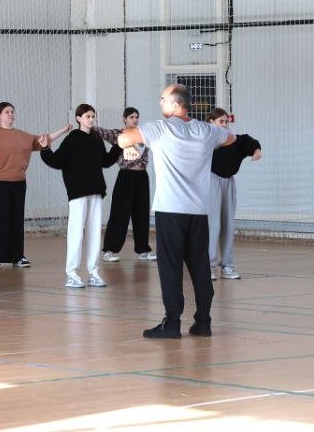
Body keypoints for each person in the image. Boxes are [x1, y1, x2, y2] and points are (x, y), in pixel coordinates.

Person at [118, 84, 234, 339]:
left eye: (162, 100)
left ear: (174, 104)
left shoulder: (161, 128)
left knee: (170, 268)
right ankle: (203, 322)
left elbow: (124, 138)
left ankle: (172, 323)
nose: (159, 104)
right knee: (200, 267)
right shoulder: (206, 130)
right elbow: (231, 138)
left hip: (170, 210)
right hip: (199, 211)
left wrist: (130, 145)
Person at [0, 102, 66, 269]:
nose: (10, 114)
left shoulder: (23, 136)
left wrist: (63, 130)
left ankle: (17, 256)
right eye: (7, 112)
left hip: (18, 183)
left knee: (16, 219)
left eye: (12, 112)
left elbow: (44, 140)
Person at [40, 103, 119, 288]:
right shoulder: (73, 138)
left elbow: (106, 162)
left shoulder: (97, 138)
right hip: (78, 192)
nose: (91, 119)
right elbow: (57, 160)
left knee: (94, 233)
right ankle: (72, 273)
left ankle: (93, 272)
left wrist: (118, 146)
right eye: (87, 116)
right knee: (76, 232)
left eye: (93, 116)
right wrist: (45, 149)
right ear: (78, 118)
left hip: (96, 190)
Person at [204, 109, 262, 280]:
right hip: (211, 181)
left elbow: (250, 142)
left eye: (226, 121)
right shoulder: (206, 140)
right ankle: (208, 266)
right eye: (220, 121)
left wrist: (257, 150)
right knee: (213, 225)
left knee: (228, 224)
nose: (224, 125)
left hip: (229, 183)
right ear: (211, 122)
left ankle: (228, 266)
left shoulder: (235, 139)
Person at [101, 107, 156, 263]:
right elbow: (101, 132)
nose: (135, 119)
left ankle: (143, 250)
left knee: (142, 213)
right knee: (120, 213)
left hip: (142, 177)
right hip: (126, 176)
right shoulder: (119, 134)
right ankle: (109, 250)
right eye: (131, 117)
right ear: (124, 119)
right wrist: (86, 124)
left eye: (137, 117)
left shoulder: (144, 136)